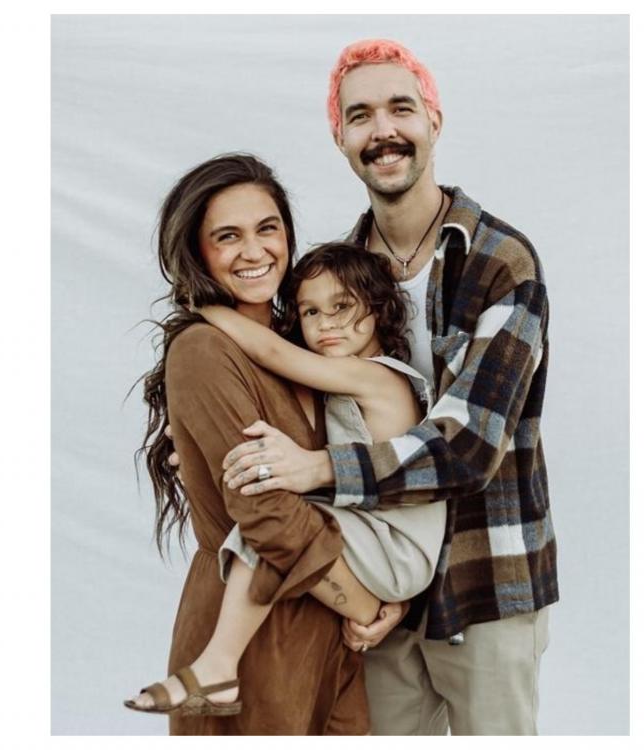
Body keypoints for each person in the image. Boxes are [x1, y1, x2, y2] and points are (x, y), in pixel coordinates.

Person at [219, 39, 555, 735]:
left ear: (433, 120)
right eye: (361, 115)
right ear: (340, 137)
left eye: (400, 108)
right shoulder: (336, 281)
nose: (383, 131)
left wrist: (316, 469)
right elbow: (301, 400)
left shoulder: (500, 262)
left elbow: (466, 448)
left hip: (487, 582)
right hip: (379, 590)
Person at [126, 242, 445, 717]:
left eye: (342, 307)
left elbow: (272, 351)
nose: (327, 323)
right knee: (280, 521)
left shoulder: (378, 378)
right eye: (310, 311)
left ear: (378, 310)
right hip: (380, 546)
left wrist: (206, 305)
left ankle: (217, 665)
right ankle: (217, 665)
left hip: (397, 549)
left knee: (279, 523)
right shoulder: (337, 380)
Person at [134, 153, 372, 735]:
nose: (254, 251)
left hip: (335, 646)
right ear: (198, 252)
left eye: (267, 229)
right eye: (227, 236)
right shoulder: (203, 350)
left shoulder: (308, 343)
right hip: (251, 645)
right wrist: (368, 607)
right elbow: (267, 514)